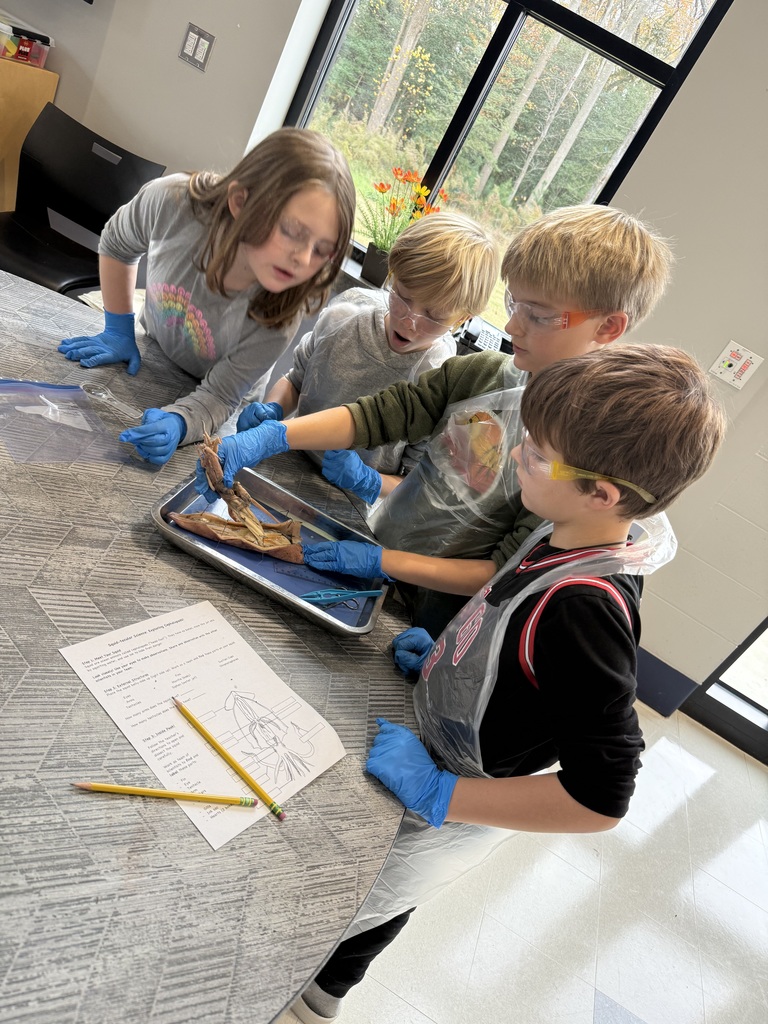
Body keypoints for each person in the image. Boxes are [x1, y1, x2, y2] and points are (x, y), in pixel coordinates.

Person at [290, 343, 726, 1024]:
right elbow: (509, 622)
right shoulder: (565, 526)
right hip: (440, 730)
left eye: (537, 449)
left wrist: (443, 794)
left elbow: (602, 797)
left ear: (603, 493)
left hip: (465, 786)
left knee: (374, 899)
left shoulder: (584, 609)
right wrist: (447, 653)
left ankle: (316, 1000)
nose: (517, 453)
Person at [195, 205, 673, 634]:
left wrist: (385, 562)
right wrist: (274, 435)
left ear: (608, 327)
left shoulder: (574, 453)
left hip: (437, 613)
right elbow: (383, 414)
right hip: (375, 541)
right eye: (513, 305)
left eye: (539, 315)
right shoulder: (481, 376)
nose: (511, 327)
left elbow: (504, 567)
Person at [57, 127, 356, 464]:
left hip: (219, 406)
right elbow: (116, 242)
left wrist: (181, 423)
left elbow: (220, 395)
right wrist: (117, 327)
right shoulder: (172, 201)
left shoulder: (283, 310)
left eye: (322, 250)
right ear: (241, 201)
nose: (303, 258)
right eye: (291, 231)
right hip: (154, 353)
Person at [235, 211, 498, 506]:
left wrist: (366, 479)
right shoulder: (345, 316)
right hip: (288, 457)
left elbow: (414, 481)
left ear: (463, 318)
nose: (409, 321)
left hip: (348, 501)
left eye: (434, 316)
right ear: (393, 275)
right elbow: (296, 380)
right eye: (402, 296)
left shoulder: (439, 380)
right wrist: (273, 409)